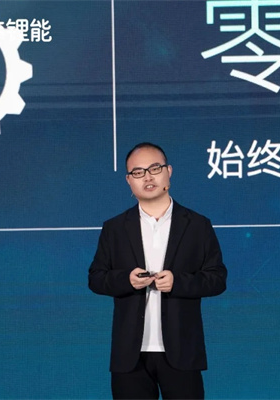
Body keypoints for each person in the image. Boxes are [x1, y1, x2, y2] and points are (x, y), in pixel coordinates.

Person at [88, 142, 227, 399]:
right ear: (129, 180)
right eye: (138, 172)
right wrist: (127, 280)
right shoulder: (115, 228)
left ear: (168, 171)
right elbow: (96, 278)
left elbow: (217, 279)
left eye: (155, 168)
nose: (148, 177)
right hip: (130, 355)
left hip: (182, 352)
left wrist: (178, 282)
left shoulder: (197, 225)